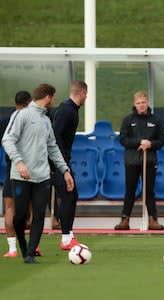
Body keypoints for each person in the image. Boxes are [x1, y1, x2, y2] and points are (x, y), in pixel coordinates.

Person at [2, 83, 74, 263]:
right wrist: (19, 163)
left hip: (42, 177)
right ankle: (24, 246)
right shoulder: (21, 115)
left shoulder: (46, 121)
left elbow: (53, 148)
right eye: (53, 97)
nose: (54, 101)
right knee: (19, 216)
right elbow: (7, 139)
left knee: (39, 214)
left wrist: (65, 170)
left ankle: (30, 252)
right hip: (21, 176)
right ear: (48, 97)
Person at [114, 91, 164, 230]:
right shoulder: (128, 120)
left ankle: (152, 220)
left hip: (149, 161)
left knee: (149, 191)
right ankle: (125, 219)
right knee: (130, 190)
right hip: (132, 161)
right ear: (134, 104)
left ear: (147, 102)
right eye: (138, 103)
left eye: (143, 102)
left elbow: (161, 141)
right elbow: (123, 139)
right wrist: (139, 142)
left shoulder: (156, 120)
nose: (141, 105)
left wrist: (150, 144)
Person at [51, 80, 88, 250]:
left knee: (71, 195)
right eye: (86, 94)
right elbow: (55, 136)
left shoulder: (70, 109)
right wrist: (62, 163)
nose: (86, 97)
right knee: (68, 195)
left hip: (62, 159)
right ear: (81, 93)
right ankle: (66, 238)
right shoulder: (67, 110)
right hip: (58, 161)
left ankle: (68, 234)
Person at [0, 91, 32, 257]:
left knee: (10, 207)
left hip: (11, 166)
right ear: (29, 102)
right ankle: (34, 245)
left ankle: (12, 249)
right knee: (33, 206)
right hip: (29, 166)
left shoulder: (6, 121)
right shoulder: (31, 120)